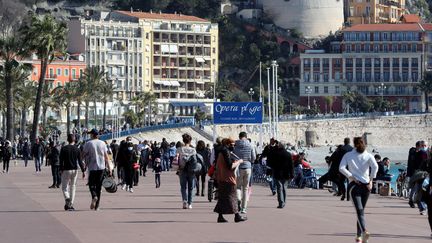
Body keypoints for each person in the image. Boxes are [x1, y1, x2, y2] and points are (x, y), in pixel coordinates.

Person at [339, 137, 378, 243]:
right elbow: (375, 167)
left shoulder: (348, 155)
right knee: (361, 211)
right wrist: (371, 180)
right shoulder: (368, 155)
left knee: (359, 211)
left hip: (355, 185)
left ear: (354, 144)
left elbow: (341, 168)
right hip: (366, 186)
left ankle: (364, 232)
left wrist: (351, 176)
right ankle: (359, 236)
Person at [214, 138, 246, 223]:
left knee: (223, 198)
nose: (233, 146)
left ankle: (220, 216)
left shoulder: (220, 152)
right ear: (228, 144)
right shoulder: (226, 152)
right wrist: (239, 162)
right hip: (228, 179)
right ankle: (237, 216)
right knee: (233, 197)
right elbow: (230, 166)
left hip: (221, 178)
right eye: (232, 144)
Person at [81, 129, 111, 210]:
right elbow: (106, 156)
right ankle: (97, 206)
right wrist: (109, 168)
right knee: (99, 186)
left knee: (91, 184)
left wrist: (83, 163)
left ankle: (94, 196)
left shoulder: (88, 143)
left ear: (92, 135)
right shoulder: (103, 143)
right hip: (101, 167)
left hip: (92, 167)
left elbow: (83, 155)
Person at [59, 134, 85, 211]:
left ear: (67, 140)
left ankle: (67, 198)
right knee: (73, 186)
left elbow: (61, 161)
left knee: (64, 187)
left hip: (66, 169)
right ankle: (71, 203)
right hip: (75, 170)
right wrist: (83, 171)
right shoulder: (77, 149)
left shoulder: (64, 149)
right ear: (74, 140)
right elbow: (80, 161)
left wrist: (61, 169)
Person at [233, 132, 255, 214]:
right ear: (246, 137)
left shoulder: (235, 145)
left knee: (238, 187)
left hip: (238, 168)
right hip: (248, 167)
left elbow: (233, 156)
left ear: (239, 137)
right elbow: (254, 158)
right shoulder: (250, 145)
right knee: (245, 188)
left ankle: (238, 199)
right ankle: (244, 208)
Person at [268, 143, 294, 208]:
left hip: (277, 173)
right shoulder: (288, 154)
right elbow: (291, 166)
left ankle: (281, 202)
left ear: (279, 146)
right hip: (286, 174)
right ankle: (284, 201)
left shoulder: (275, 154)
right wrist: (292, 174)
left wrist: (273, 169)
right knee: (284, 188)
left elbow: (271, 163)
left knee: (279, 188)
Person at [177, 133, 196, 209]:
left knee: (183, 187)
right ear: (190, 141)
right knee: (191, 187)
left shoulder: (179, 149)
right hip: (191, 170)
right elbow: (195, 161)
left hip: (182, 169)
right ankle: (190, 203)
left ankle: (184, 201)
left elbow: (177, 159)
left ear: (183, 140)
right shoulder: (193, 150)